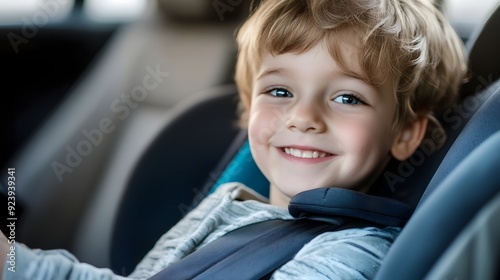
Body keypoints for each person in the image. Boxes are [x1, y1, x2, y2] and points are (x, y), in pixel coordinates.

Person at [1, 0, 466, 279]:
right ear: (248, 108)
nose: (304, 116)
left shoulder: (353, 252)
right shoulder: (228, 204)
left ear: (406, 133)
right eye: (280, 91)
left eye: (347, 97)